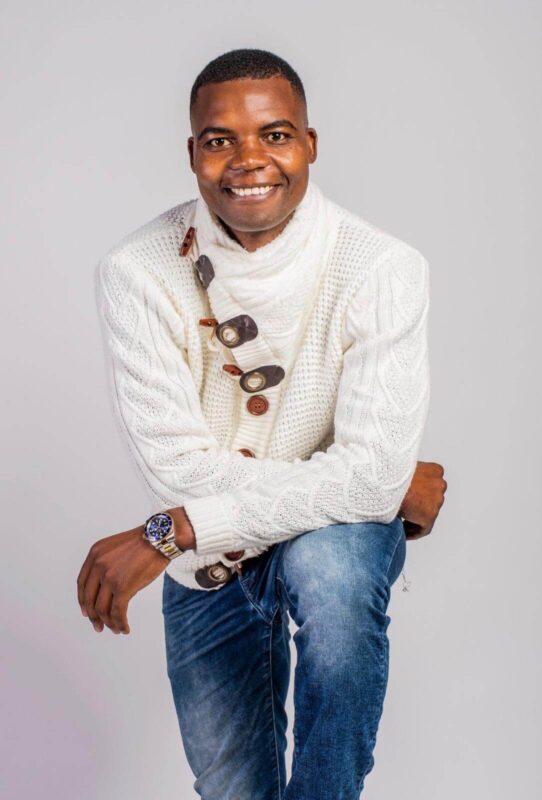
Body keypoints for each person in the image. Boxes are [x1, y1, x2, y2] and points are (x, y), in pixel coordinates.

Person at [77, 48, 447, 799]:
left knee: (334, 582)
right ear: (193, 153)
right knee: (231, 788)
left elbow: (197, 503)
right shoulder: (137, 270)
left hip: (307, 538)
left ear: (310, 144)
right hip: (211, 562)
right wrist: (378, 482)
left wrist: (175, 528)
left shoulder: (382, 268)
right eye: (221, 140)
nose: (249, 159)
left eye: (275, 135)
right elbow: (182, 473)